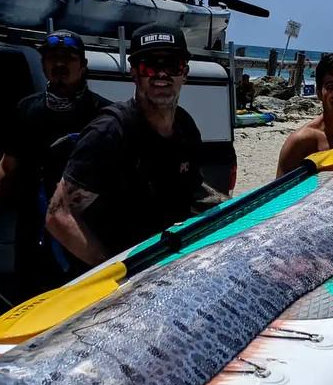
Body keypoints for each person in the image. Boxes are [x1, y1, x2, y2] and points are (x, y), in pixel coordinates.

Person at [46, 26, 226, 265]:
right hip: (118, 274)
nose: (161, 75)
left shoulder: (185, 128)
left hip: (165, 262)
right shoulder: (109, 132)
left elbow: (195, 189)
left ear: (185, 73)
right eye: (149, 66)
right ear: (134, 73)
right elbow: (58, 215)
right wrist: (114, 269)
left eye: (172, 65)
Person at [0, 31, 110, 292]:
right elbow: (7, 167)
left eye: (69, 58)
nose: (60, 65)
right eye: (53, 58)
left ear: (83, 65)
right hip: (34, 238)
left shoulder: (105, 115)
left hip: (86, 234)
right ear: (43, 65)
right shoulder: (27, 110)